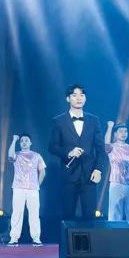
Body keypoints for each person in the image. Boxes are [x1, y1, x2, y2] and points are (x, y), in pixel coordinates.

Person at [48, 84, 108, 220]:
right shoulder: (59, 121)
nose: (79, 98)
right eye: (74, 95)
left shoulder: (94, 120)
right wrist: (69, 153)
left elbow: (100, 149)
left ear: (85, 98)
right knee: (67, 216)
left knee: (90, 216)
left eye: (82, 95)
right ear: (68, 99)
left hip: (90, 176)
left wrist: (98, 169)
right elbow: (52, 146)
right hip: (68, 175)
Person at [105, 121, 129, 248]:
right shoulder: (112, 147)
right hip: (116, 182)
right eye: (121, 131)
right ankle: (114, 240)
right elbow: (106, 144)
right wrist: (109, 127)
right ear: (115, 134)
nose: (124, 133)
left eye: (125, 131)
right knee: (114, 212)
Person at [7, 133, 46, 246]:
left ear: (30, 143)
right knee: (17, 213)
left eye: (26, 140)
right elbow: (10, 156)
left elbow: (42, 171)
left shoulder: (37, 156)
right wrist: (14, 140)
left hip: (33, 189)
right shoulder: (17, 155)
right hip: (18, 188)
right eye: (22, 141)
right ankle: (14, 238)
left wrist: (37, 185)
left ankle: (36, 238)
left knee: (34, 214)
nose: (24, 142)